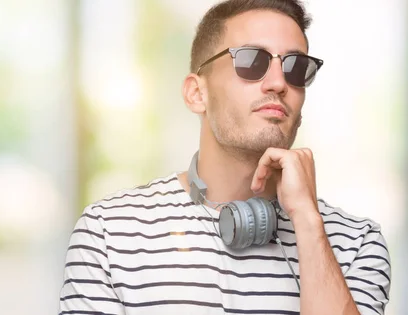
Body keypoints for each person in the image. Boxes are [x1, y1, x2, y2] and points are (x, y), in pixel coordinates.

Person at [58, 0, 391, 314]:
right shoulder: (109, 234)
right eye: (251, 61)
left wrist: (306, 221)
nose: (278, 83)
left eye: (296, 67)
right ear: (196, 93)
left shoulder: (355, 243)